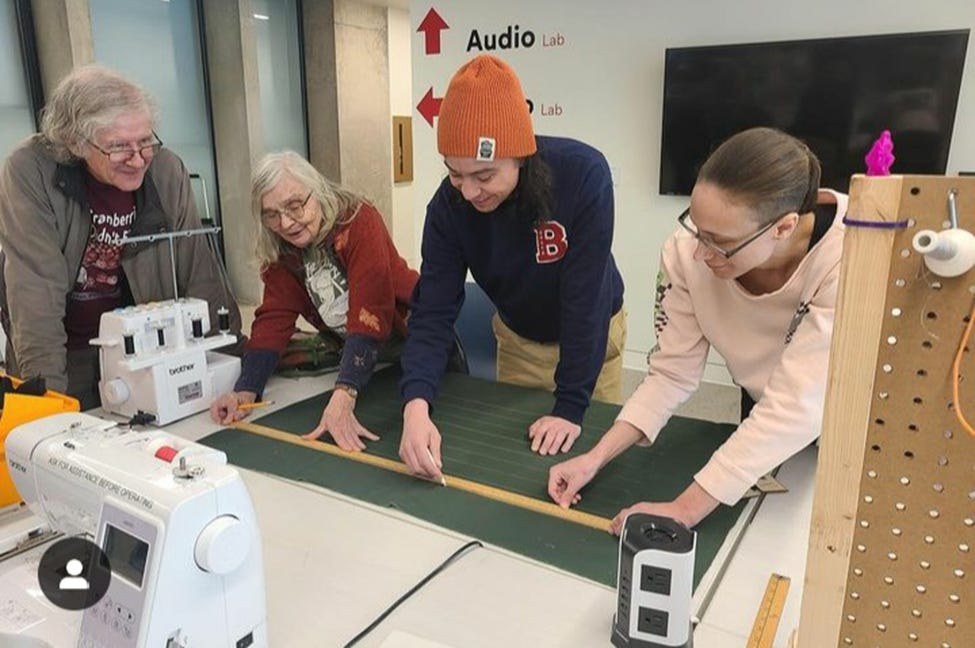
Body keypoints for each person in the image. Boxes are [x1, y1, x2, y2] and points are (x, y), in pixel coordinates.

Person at [548, 127, 847, 530]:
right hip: (768, 410)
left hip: (854, 418)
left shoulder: (848, 256)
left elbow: (796, 406)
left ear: (783, 227)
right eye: (697, 228)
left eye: (720, 242)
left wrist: (683, 510)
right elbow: (672, 373)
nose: (702, 252)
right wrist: (594, 458)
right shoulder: (687, 253)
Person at [399, 54, 625, 481]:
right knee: (517, 465)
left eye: (484, 175)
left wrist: (572, 405)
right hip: (519, 341)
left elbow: (586, 299)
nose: (468, 191)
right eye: (454, 174)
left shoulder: (583, 176)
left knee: (591, 461)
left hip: (594, 337)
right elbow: (432, 310)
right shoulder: (447, 208)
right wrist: (416, 405)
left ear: (521, 154)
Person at [0, 65, 241, 410]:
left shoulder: (165, 169)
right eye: (119, 147)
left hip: (147, 352)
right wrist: (46, 402)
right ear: (75, 142)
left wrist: (231, 363)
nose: (138, 158)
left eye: (145, 141)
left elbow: (197, 267)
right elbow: (34, 291)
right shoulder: (31, 171)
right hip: (68, 356)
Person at [210, 151, 418, 452]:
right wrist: (246, 390)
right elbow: (273, 320)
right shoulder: (283, 249)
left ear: (316, 191)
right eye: (271, 214)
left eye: (294, 207)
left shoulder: (359, 221)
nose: (285, 222)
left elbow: (370, 312)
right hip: (367, 364)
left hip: (414, 341)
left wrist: (344, 392)